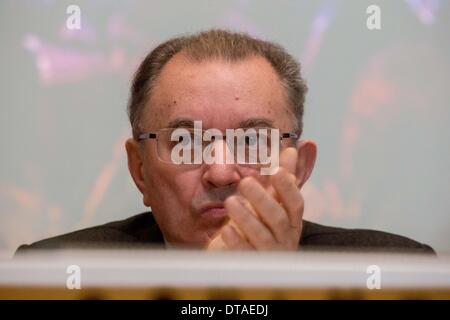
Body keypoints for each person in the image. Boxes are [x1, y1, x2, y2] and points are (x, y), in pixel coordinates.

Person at [16, 29, 433, 254]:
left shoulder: (389, 270)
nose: (220, 171)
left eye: (253, 141)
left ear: (300, 168)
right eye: (186, 142)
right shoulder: (56, 273)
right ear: (139, 169)